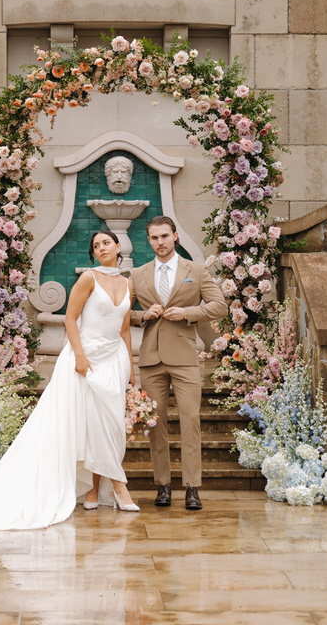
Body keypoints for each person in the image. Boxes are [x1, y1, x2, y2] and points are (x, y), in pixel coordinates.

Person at [0, 229, 138, 530]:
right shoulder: (89, 278)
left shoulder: (128, 284)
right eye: (96, 245)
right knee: (91, 420)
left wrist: (130, 368)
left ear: (118, 247)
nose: (102, 248)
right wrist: (79, 356)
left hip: (113, 361)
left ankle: (93, 489)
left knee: (110, 424)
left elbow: (125, 330)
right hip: (85, 359)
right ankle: (120, 487)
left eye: (106, 243)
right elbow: (69, 319)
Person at [130, 215, 227, 510]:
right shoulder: (137, 274)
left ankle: (192, 487)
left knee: (190, 421)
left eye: (164, 236)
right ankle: (163, 485)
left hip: (184, 358)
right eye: (154, 238)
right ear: (149, 241)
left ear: (175, 237)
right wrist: (142, 316)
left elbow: (219, 306)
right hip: (151, 359)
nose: (160, 242)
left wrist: (188, 313)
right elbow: (122, 313)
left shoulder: (196, 271)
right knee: (156, 424)